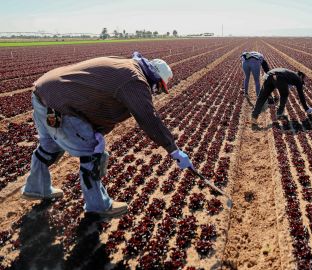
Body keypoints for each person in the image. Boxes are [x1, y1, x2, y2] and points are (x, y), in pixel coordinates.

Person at [21, 52, 194, 218]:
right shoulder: (134, 81)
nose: (156, 91)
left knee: (50, 146)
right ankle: (98, 206)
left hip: (43, 91)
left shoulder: (126, 66)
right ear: (155, 79)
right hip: (60, 106)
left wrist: (98, 130)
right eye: (159, 87)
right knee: (92, 153)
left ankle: (36, 188)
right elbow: (148, 118)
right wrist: (173, 150)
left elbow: (97, 100)